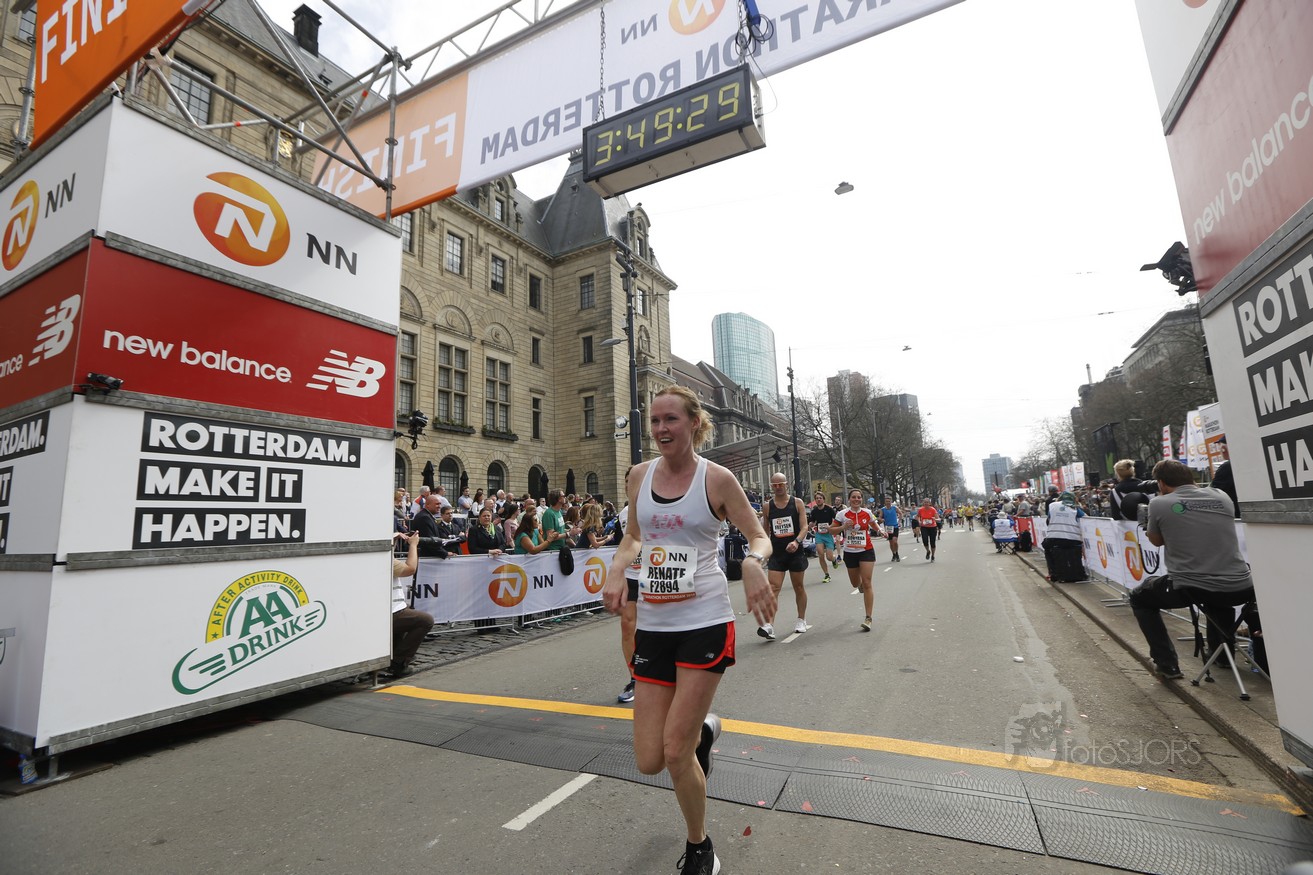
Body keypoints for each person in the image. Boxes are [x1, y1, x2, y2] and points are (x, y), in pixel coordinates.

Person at [601, 386, 775, 875]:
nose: (661, 429)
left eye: (671, 419)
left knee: (675, 752)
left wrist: (754, 563)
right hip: (654, 623)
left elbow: (758, 535)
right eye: (655, 420)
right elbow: (634, 535)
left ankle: (701, 847)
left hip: (705, 620)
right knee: (649, 760)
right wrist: (617, 568)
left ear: (694, 423)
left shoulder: (716, 479)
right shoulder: (640, 476)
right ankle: (704, 732)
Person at [1129, 459, 1256, 680]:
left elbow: (1157, 541)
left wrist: (1150, 524)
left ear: (1161, 483)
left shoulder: (1159, 503)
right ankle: (1222, 657)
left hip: (1192, 587)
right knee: (1219, 598)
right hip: (1241, 585)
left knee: (1139, 597)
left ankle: (1167, 663)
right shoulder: (1221, 496)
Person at [757, 473, 810, 639]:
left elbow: (804, 527)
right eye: (775, 485)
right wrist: (763, 551)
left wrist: (796, 541)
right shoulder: (768, 506)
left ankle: (801, 619)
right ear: (771, 487)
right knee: (773, 588)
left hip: (795, 552)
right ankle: (769, 625)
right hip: (777, 553)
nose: (778, 487)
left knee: (798, 587)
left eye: (781, 484)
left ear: (786, 484)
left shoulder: (797, 503)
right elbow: (766, 531)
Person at [829, 488, 879, 631]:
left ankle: (868, 618)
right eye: (854, 497)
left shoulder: (867, 512)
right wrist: (843, 526)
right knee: (855, 583)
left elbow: (873, 524)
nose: (856, 499)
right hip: (850, 552)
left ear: (861, 499)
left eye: (859, 497)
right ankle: (859, 584)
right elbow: (831, 530)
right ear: (849, 499)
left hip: (866, 550)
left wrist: (880, 530)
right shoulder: (842, 514)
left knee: (868, 582)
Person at [389, 531, 433, 677]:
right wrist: (413, 545)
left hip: (392, 608)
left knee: (406, 615)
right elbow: (410, 569)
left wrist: (394, 537)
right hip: (390, 611)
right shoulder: (384, 559)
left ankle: (395, 656)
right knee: (426, 620)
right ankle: (399, 662)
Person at [807, 491, 837, 582]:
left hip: (828, 534)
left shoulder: (829, 509)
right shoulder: (814, 511)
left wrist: (831, 527)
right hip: (819, 534)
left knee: (829, 557)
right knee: (820, 554)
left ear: (823, 499)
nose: (818, 500)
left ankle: (834, 559)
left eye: (820, 498)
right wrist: (810, 524)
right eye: (817, 498)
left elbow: (836, 520)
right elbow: (812, 522)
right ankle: (827, 575)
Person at [879, 496, 902, 562]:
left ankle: (897, 553)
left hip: (895, 526)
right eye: (887, 501)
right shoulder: (883, 509)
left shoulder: (894, 508)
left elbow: (900, 513)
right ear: (885, 502)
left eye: (889, 501)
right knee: (891, 542)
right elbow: (879, 517)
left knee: (895, 541)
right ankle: (893, 554)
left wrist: (899, 521)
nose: (888, 502)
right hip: (888, 527)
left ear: (891, 502)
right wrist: (881, 519)